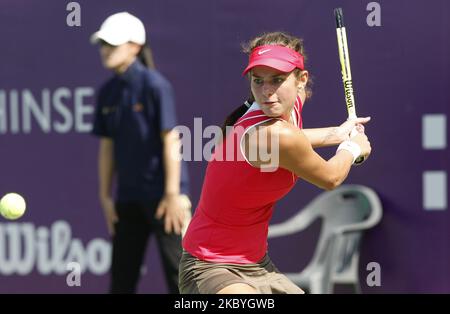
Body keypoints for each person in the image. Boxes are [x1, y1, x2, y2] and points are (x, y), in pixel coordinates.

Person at [179, 31, 372, 294]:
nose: (267, 92)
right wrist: (351, 148)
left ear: (301, 80)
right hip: (209, 266)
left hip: (258, 264)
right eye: (258, 81)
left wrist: (336, 134)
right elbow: (330, 177)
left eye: (278, 80)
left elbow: (293, 142)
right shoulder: (273, 133)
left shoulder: (289, 112)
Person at [90, 12, 191, 294]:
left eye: (113, 44)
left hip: (164, 199)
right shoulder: (107, 92)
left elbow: (171, 139)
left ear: (135, 46)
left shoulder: (155, 85)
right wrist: (105, 196)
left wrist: (173, 193)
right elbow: (107, 146)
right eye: (103, 44)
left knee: (180, 281)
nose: (105, 50)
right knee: (122, 281)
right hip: (128, 198)